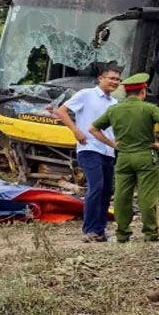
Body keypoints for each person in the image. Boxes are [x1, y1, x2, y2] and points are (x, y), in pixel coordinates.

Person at [89, 73, 159, 243]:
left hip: (123, 158)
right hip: (146, 157)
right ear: (143, 91)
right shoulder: (149, 108)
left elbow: (93, 129)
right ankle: (150, 233)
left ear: (125, 92)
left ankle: (122, 233)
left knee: (121, 196)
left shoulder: (114, 109)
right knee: (147, 196)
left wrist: (112, 144)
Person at [56, 66, 122, 242]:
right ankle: (89, 230)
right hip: (89, 147)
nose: (115, 82)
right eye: (111, 78)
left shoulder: (115, 103)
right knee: (96, 186)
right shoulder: (86, 94)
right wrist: (76, 130)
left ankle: (100, 230)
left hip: (108, 150)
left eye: (118, 79)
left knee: (107, 191)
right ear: (101, 78)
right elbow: (61, 111)